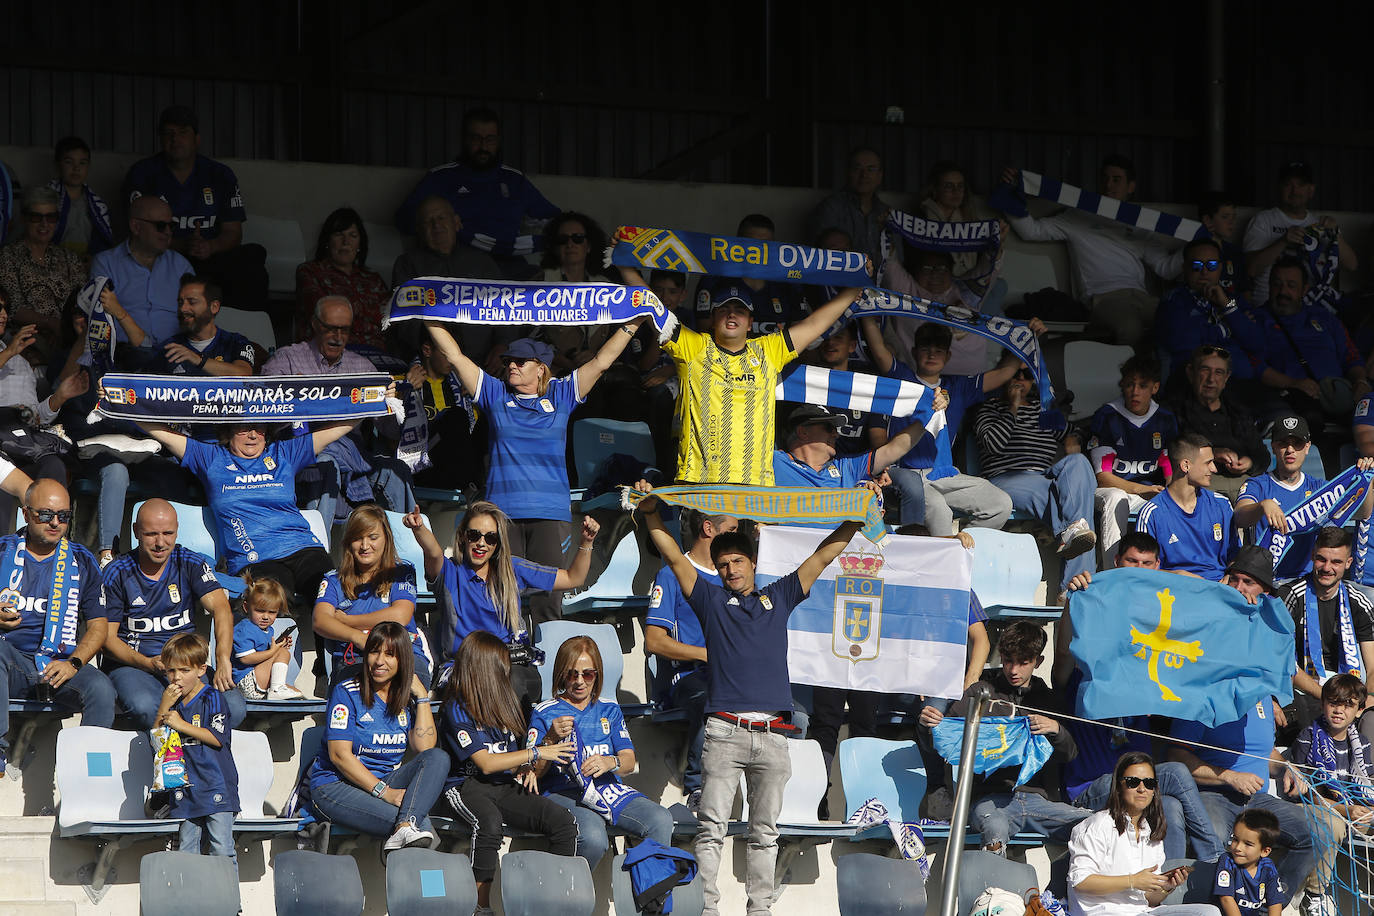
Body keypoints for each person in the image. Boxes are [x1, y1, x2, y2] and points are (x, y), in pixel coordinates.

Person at [638, 492, 861, 916]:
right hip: (723, 733)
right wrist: (651, 515)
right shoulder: (710, 600)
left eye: (737, 561)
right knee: (710, 829)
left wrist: (856, 522)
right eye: (722, 564)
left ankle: (759, 910)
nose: (729, 569)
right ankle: (708, 910)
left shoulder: (779, 597)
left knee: (765, 833)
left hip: (773, 737)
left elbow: (821, 558)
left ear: (753, 564)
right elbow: (673, 556)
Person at [422, 320, 643, 624]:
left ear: (541, 368)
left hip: (550, 516)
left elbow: (601, 362)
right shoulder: (496, 394)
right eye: (509, 361)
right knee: (500, 604)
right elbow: (457, 357)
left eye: (520, 361)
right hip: (503, 516)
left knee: (547, 607)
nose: (511, 366)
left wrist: (634, 324)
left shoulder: (562, 394)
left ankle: (546, 667)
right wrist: (425, 317)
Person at [618, 261, 863, 487]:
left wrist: (853, 291)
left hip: (753, 482)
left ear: (749, 322)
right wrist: (624, 265)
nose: (732, 314)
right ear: (713, 318)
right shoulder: (694, 348)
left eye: (740, 310)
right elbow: (654, 308)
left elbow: (813, 325)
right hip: (700, 481)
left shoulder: (769, 350)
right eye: (724, 309)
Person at [135, 413, 366, 602]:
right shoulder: (210, 457)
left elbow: (337, 428)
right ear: (228, 431)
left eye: (260, 427)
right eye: (244, 427)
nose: (253, 434)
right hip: (256, 559)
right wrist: (119, 401)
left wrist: (374, 400)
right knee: (271, 602)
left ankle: (334, 659)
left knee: (332, 595)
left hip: (303, 548)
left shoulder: (284, 453)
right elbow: (164, 434)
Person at [404, 501, 599, 709]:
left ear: (497, 543)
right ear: (463, 536)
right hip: (463, 669)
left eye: (490, 538)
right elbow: (433, 552)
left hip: (509, 666)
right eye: (474, 535)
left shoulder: (511, 568)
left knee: (513, 682)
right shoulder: (450, 572)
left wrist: (586, 542)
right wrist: (419, 528)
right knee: (479, 686)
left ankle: (513, 742)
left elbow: (572, 578)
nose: (481, 543)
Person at [437, 630, 579, 916]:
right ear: (484, 669)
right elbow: (486, 763)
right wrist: (536, 753)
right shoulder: (456, 708)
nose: (507, 672)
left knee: (563, 822)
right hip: (464, 786)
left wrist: (528, 763)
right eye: (502, 666)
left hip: (502, 785)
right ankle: (480, 908)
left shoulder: (506, 703)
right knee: (488, 822)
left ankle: (551, 903)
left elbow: (511, 758)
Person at [920, 621, 1086, 855]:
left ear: (1038, 662)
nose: (1013, 670)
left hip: (1037, 801)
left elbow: (1069, 754)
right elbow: (944, 742)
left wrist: (1056, 729)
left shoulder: (1048, 701)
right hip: (987, 801)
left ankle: (1066, 889)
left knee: (1092, 824)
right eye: (1008, 660)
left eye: (1023, 662)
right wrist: (931, 725)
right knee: (995, 829)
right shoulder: (980, 693)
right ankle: (992, 890)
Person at [861, 317, 1034, 534]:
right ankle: (944, 559)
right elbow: (878, 349)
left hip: (945, 474)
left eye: (939, 350)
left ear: (948, 356)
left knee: (1000, 504)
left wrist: (1026, 338)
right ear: (914, 352)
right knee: (941, 512)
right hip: (906, 475)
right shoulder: (901, 377)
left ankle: (959, 550)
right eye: (925, 349)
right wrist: (868, 312)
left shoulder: (958, 386)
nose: (932, 355)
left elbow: (1004, 373)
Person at [263, 296, 412, 526]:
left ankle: (404, 551)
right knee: (326, 461)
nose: (338, 337)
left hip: (354, 458)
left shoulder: (362, 367)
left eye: (345, 330)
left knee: (396, 470)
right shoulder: (288, 359)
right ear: (315, 324)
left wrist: (391, 404)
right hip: (299, 454)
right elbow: (262, 411)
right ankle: (319, 552)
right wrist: (294, 395)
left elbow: (390, 432)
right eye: (331, 329)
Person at [529, 635, 676, 868]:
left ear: (596, 675)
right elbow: (530, 774)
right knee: (594, 838)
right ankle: (573, 898)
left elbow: (629, 762)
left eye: (587, 674)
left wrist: (609, 762)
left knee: (661, 819)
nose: (579, 681)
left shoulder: (610, 709)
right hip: (563, 792)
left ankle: (651, 897)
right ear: (560, 674)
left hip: (607, 790)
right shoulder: (545, 712)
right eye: (571, 673)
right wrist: (550, 739)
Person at [1000, 157, 1177, 347]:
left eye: (1116, 180)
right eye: (1105, 179)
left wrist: (1202, 241)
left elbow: (1166, 268)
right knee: (1130, 327)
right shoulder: (1079, 215)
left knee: (1177, 321)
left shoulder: (1140, 222)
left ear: (1131, 187)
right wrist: (1008, 193)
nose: (1108, 185)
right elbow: (1032, 231)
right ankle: (1132, 376)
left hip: (1142, 297)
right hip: (1103, 299)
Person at [0, 479, 114, 772]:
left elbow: (99, 626)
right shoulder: (2, 551)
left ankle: (90, 777)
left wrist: (74, 663)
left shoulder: (81, 560)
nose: (55, 523)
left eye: (63, 516)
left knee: (101, 689)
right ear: (26, 514)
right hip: (9, 661)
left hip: (59, 663)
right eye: (46, 514)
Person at [101, 498, 245, 730]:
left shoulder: (189, 562)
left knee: (233, 707)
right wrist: (148, 663)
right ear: (136, 531)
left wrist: (223, 659)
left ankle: (196, 757)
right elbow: (106, 638)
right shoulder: (117, 572)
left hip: (185, 664)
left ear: (177, 531)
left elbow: (221, 608)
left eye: (168, 533)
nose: (160, 543)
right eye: (151, 534)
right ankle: (171, 760)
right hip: (135, 665)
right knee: (147, 706)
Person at [307, 621, 447, 857]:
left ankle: (405, 831)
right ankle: (418, 887)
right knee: (421, 829)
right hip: (336, 786)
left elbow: (424, 749)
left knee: (438, 758)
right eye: (374, 651)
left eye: (390, 654)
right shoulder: (346, 692)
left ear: (403, 659)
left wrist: (422, 697)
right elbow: (339, 756)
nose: (379, 661)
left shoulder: (405, 698)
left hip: (385, 780)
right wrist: (385, 792)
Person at [121, 105, 268, 310]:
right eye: (169, 134)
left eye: (183, 133)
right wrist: (183, 245)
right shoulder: (143, 173)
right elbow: (136, 232)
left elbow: (233, 232)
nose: (175, 139)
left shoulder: (219, 175)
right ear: (161, 140)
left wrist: (210, 246)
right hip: (163, 256)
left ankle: (244, 335)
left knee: (252, 257)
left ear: (197, 139)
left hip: (210, 257)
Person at [975, 365, 1098, 598]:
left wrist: (1073, 439)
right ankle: (1075, 590)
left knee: (1079, 462)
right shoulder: (989, 408)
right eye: (1015, 374)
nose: (1021, 379)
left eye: (1027, 375)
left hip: (1044, 476)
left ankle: (1071, 540)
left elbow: (1074, 432)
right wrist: (1012, 407)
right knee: (1078, 512)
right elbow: (994, 443)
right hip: (1005, 477)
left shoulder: (1043, 412)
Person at [643, 508, 738, 810]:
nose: (740, 539)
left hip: (730, 675)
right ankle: (697, 788)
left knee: (795, 713)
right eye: (733, 531)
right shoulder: (672, 573)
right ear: (709, 529)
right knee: (712, 696)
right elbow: (653, 641)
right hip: (687, 679)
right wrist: (707, 655)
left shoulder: (736, 576)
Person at [393, 107, 559, 278]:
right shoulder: (441, 177)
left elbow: (557, 223)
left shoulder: (514, 180)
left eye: (490, 139)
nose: (483, 146)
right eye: (476, 139)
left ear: (499, 141)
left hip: (509, 268)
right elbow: (404, 220)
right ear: (464, 140)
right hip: (459, 268)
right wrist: (448, 229)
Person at [1066, 752, 1218, 916]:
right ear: (1118, 787)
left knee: (1209, 912)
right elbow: (1081, 881)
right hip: (1103, 912)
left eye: (1149, 783)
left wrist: (1167, 887)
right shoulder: (1097, 825)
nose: (1142, 789)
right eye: (1133, 782)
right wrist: (1132, 881)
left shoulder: (1151, 832)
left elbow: (1149, 900)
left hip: (1142, 911)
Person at [1235, 415, 1374, 582]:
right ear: (1273, 446)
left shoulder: (1320, 488)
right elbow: (1240, 517)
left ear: (1307, 447)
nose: (1290, 450)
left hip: (1309, 581)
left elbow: (1362, 513)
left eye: (1297, 444)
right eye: (1283, 443)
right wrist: (1262, 506)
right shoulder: (1258, 484)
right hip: (1266, 579)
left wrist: (1367, 481)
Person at [1281, 673, 1370, 916]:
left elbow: (1366, 789)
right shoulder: (1308, 737)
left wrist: (1366, 811)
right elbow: (1306, 793)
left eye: (1348, 705)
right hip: (1310, 808)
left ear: (1359, 710)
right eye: (1333, 703)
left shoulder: (1361, 744)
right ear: (1322, 704)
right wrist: (1347, 810)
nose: (1339, 710)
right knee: (1333, 824)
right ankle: (1314, 894)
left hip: (1349, 809)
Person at [313, 505, 431, 686]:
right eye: (357, 539)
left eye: (373, 537)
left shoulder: (401, 572)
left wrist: (346, 621)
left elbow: (400, 616)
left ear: (386, 539)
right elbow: (320, 621)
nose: (365, 546)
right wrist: (357, 637)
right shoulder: (333, 580)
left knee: (403, 687)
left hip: (402, 655)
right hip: (355, 659)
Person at [391, 196, 506, 370]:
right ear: (419, 231)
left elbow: (505, 306)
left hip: (484, 364)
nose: (436, 226)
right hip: (433, 365)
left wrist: (503, 346)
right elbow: (405, 321)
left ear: (457, 222)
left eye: (441, 218)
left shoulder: (482, 263)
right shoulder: (408, 264)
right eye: (428, 222)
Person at [154, 632, 239, 866]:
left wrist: (182, 725)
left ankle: (230, 902)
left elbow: (217, 738)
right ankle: (191, 901)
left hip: (215, 784)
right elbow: (158, 743)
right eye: (171, 671)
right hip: (185, 789)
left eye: (184, 671)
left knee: (221, 848)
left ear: (201, 670)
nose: (176, 678)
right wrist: (163, 706)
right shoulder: (171, 703)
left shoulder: (212, 697)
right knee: (186, 852)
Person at [1278, 527, 1374, 733]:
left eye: (1336, 562)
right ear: (1313, 556)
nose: (1327, 568)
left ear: (1348, 563)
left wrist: (1362, 699)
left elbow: (1373, 667)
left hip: (1350, 689)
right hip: (1304, 687)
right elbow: (1282, 662)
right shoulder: (1290, 596)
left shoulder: (1359, 602)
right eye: (1321, 559)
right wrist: (1328, 698)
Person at [1089, 355, 1178, 565]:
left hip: (1148, 491)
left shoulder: (1165, 419)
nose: (1135, 391)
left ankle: (1165, 571)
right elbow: (1103, 477)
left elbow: (1167, 465)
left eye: (1143, 385)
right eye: (1130, 384)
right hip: (1109, 491)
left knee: (1173, 500)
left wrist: (1172, 489)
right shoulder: (1107, 416)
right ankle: (1114, 573)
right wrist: (1141, 489)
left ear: (1155, 388)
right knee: (1116, 497)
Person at [1155, 238, 1267, 388]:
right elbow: (1185, 344)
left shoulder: (1231, 299)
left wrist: (1227, 306)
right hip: (1197, 389)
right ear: (1184, 268)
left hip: (1243, 387)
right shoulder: (1173, 301)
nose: (1204, 271)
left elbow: (1257, 343)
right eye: (1196, 265)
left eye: (1212, 265)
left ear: (1220, 268)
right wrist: (1227, 329)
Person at [0, 291, 89, 481]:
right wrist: (8, 353)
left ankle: (52, 511)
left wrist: (59, 397)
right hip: (4, 451)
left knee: (54, 465)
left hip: (21, 442)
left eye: (5, 309)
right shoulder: (10, 353)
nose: (4, 315)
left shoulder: (19, 362)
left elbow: (32, 417)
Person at [1244, 161, 1357, 308]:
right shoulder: (1263, 220)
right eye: (1288, 184)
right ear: (1280, 188)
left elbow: (1352, 265)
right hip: (1270, 308)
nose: (1294, 190)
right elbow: (1250, 270)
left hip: (1313, 309)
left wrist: (1335, 233)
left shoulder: (1321, 224)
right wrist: (1283, 242)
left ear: (1311, 190)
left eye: (1301, 185)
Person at [89, 193, 191, 349]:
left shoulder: (181, 265)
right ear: (136, 227)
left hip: (176, 354)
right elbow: (98, 320)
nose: (168, 232)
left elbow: (198, 314)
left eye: (172, 226)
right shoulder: (106, 263)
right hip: (125, 354)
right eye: (161, 226)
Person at [1169, 347, 1269, 504]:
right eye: (1205, 370)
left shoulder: (1237, 410)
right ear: (1190, 372)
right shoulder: (1174, 409)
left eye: (1218, 372)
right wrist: (1212, 454)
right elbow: (1174, 452)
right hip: (1201, 484)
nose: (1211, 379)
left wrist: (1249, 462)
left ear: (1226, 377)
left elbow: (1262, 456)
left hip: (1243, 484)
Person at [0, 186, 85, 364]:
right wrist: (50, 324)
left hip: (68, 336)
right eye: (36, 217)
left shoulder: (69, 258)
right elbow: (12, 308)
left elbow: (83, 302)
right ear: (24, 218)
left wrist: (64, 330)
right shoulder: (8, 257)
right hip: (27, 338)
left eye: (51, 217)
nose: (44, 224)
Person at [1136, 433, 1235, 579]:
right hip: (1173, 593)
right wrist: (1179, 576)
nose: (1214, 469)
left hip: (1218, 590)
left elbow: (1235, 555)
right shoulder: (1152, 513)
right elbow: (1141, 571)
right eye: (1208, 462)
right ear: (1185, 465)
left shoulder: (1222, 505)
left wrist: (1232, 575)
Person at [694, 215, 812, 337]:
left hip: (776, 355)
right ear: (737, 245)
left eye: (765, 245)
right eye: (752, 244)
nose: (758, 251)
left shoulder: (788, 283)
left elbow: (801, 338)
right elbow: (704, 335)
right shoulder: (715, 279)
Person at [882, 248, 991, 376]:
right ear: (916, 271)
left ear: (951, 271)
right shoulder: (906, 290)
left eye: (941, 268)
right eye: (927, 268)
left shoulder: (965, 292)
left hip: (972, 379)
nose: (934, 274)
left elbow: (990, 266)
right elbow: (889, 259)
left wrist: (999, 241)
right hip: (922, 377)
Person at [917, 160, 1007, 311]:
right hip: (934, 288)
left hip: (969, 286)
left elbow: (985, 265)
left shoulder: (971, 221)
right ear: (935, 189)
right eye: (948, 186)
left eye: (960, 186)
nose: (956, 191)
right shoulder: (920, 219)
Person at [294, 207, 391, 343]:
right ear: (327, 241)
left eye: (353, 235)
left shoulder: (373, 279)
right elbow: (326, 316)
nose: (346, 242)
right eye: (339, 234)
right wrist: (370, 315)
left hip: (375, 354)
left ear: (360, 244)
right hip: (329, 353)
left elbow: (389, 320)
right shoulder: (310, 272)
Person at [159, 274, 256, 376]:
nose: (183, 308)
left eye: (192, 302)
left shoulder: (236, 342)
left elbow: (244, 374)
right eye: (180, 302)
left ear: (214, 307)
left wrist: (198, 359)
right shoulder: (169, 348)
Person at [805, 147, 890, 263]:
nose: (864, 175)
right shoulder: (831, 208)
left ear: (880, 176)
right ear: (848, 172)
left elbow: (897, 260)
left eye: (871, 169)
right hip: (843, 278)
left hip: (882, 280)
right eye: (857, 168)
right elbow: (820, 258)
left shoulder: (887, 213)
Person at [231, 577, 305, 700]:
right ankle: (276, 689)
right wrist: (274, 652)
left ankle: (277, 692)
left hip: (259, 681)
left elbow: (262, 655)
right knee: (281, 653)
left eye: (272, 612)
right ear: (246, 607)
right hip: (246, 683)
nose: (265, 617)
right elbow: (245, 658)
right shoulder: (245, 628)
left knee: (298, 694)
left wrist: (277, 646)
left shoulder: (269, 630)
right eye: (260, 611)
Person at [1211, 809, 1290, 916]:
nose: (1238, 847)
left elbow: (1275, 902)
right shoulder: (1227, 861)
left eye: (1247, 844)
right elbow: (1226, 899)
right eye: (1235, 839)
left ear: (1264, 851)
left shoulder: (1268, 867)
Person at [48, 136, 113, 259]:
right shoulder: (46, 199)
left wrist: (93, 258)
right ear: (58, 164)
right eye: (69, 162)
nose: (76, 168)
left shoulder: (97, 205)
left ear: (88, 166)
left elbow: (101, 241)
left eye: (82, 163)